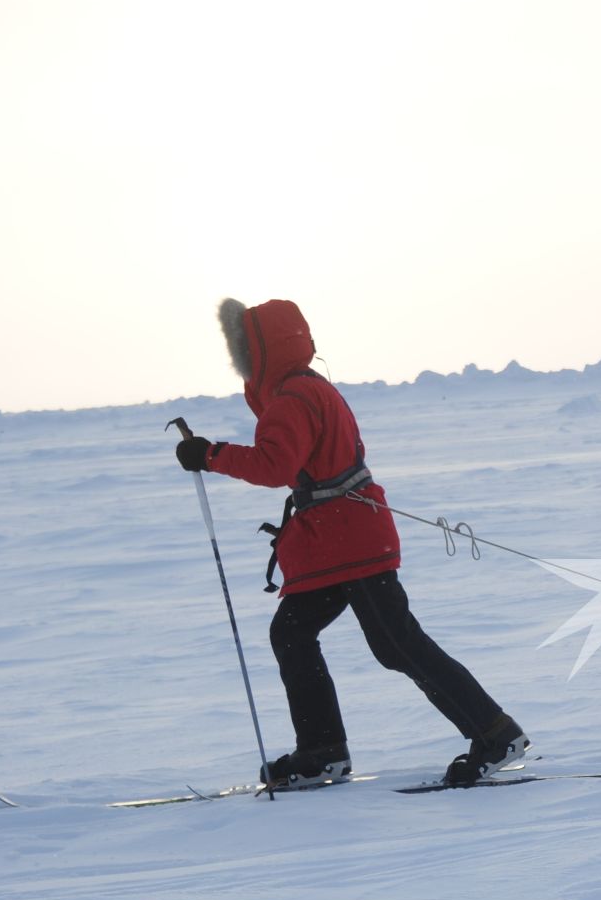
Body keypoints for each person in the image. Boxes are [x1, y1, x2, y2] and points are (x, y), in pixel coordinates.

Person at [175, 298, 528, 788]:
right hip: (334, 542)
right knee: (295, 635)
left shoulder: (293, 398)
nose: (242, 364)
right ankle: (322, 752)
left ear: (259, 351)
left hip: (351, 541)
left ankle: (495, 733)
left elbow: (275, 465)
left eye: (244, 352)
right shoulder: (304, 389)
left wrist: (210, 455)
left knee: (396, 642)